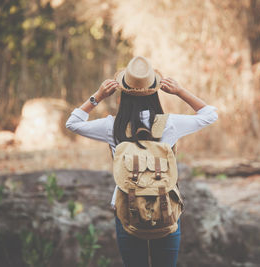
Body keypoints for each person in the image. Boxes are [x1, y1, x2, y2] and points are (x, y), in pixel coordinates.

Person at [66, 56, 218, 267]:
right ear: (155, 91)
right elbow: (210, 114)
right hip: (166, 207)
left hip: (127, 209)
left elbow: (73, 123)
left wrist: (98, 96)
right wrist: (180, 91)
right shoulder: (170, 124)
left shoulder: (112, 127)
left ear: (122, 94)